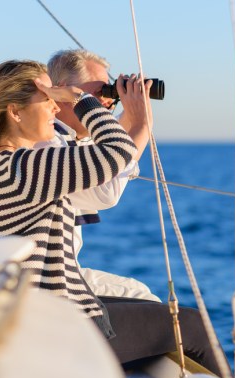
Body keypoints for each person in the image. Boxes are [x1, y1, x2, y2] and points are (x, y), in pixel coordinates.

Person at [0, 60, 226, 377]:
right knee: (192, 326)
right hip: (50, 330)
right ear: (15, 112)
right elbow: (118, 152)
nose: (55, 107)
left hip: (19, 317)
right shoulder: (29, 166)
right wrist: (81, 99)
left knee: (149, 307)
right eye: (48, 98)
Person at [37, 48, 159, 301]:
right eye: (96, 93)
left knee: (143, 294)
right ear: (62, 92)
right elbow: (106, 193)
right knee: (149, 304)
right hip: (45, 280)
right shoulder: (46, 144)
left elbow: (110, 149)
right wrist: (141, 124)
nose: (107, 101)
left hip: (61, 271)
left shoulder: (72, 141)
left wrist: (132, 109)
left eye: (109, 93)